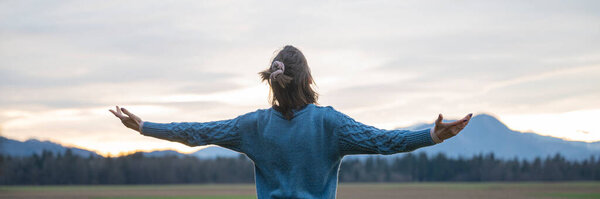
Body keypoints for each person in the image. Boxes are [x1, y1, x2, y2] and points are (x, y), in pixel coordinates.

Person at [110, 45, 472, 199]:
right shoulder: (330, 124)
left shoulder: (252, 126)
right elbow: (384, 142)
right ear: (308, 81)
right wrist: (431, 135)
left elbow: (196, 133)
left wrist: (145, 127)